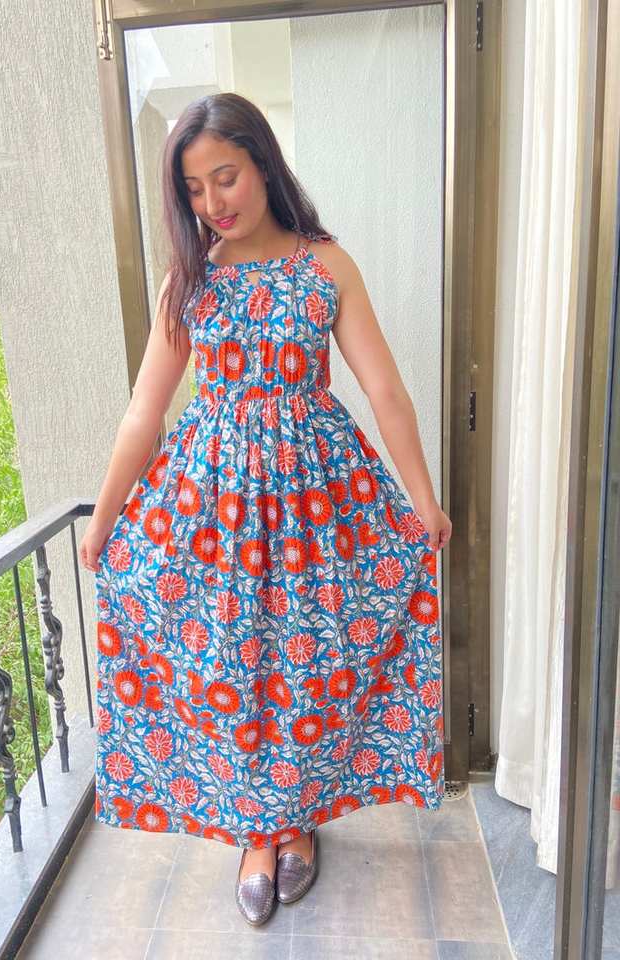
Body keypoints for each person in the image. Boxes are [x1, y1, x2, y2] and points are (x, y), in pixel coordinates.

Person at [80, 91, 452, 927]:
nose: (214, 201)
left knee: (305, 666)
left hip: (317, 508)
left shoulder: (326, 266)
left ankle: (299, 819)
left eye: (226, 176)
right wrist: (104, 520)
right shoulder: (191, 280)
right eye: (194, 188)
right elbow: (145, 409)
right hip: (212, 516)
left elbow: (385, 391)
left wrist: (424, 502)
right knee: (235, 670)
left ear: (262, 164)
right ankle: (258, 832)